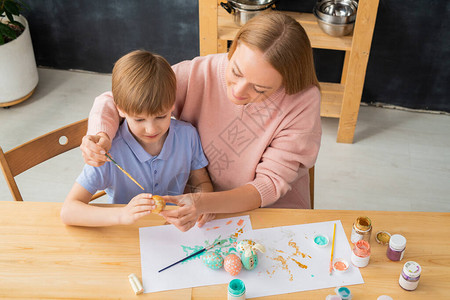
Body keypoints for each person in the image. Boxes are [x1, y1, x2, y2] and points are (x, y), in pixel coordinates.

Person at [80, 12, 321, 232]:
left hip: (267, 213)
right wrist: (101, 135)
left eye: (260, 89)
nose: (238, 92)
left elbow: (267, 186)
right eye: (235, 71)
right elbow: (118, 98)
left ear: (286, 82)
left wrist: (203, 202)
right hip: (193, 211)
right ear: (233, 48)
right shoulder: (200, 73)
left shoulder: (301, 102)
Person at [61, 50, 213, 227]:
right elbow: (69, 211)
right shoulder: (109, 153)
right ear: (120, 110)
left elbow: (201, 181)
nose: (151, 129)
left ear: (172, 105)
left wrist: (201, 204)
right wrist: (122, 215)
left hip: (174, 232)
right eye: (139, 119)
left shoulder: (188, 136)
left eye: (161, 116)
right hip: (124, 235)